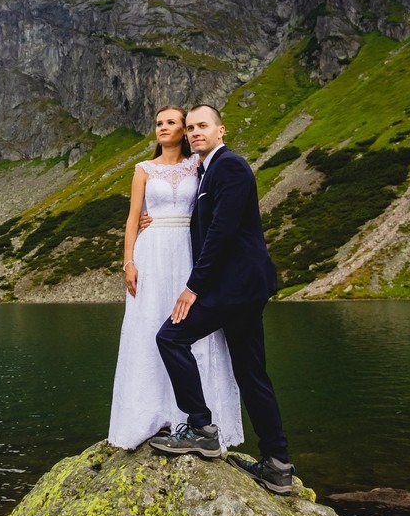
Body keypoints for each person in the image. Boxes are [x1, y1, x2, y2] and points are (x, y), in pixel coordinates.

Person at [148, 104, 297, 495]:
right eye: (191, 127)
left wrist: (193, 287)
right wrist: (153, 217)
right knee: (251, 372)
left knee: (170, 337)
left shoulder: (228, 166)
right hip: (242, 287)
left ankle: (201, 428)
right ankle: (277, 463)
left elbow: (222, 232)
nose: (195, 132)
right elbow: (200, 222)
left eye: (203, 126)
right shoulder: (207, 170)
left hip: (233, 287)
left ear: (221, 130)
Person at [107, 105, 243, 451]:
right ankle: (151, 415)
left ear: (184, 130)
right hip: (151, 253)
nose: (162, 128)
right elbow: (133, 218)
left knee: (189, 328)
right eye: (158, 123)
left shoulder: (198, 166)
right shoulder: (143, 170)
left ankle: (198, 419)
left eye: (171, 123)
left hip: (187, 250)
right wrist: (128, 262)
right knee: (149, 324)